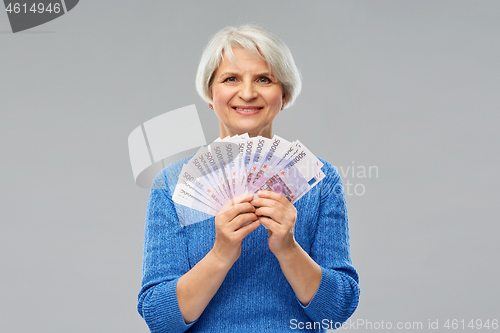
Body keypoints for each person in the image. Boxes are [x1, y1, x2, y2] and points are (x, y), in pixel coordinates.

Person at [137, 25, 360, 333]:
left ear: (283, 95)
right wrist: (220, 254)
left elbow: (336, 311)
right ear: (210, 95)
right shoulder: (172, 184)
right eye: (231, 79)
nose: (247, 93)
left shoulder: (319, 180)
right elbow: (161, 320)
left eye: (264, 79)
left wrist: (287, 248)